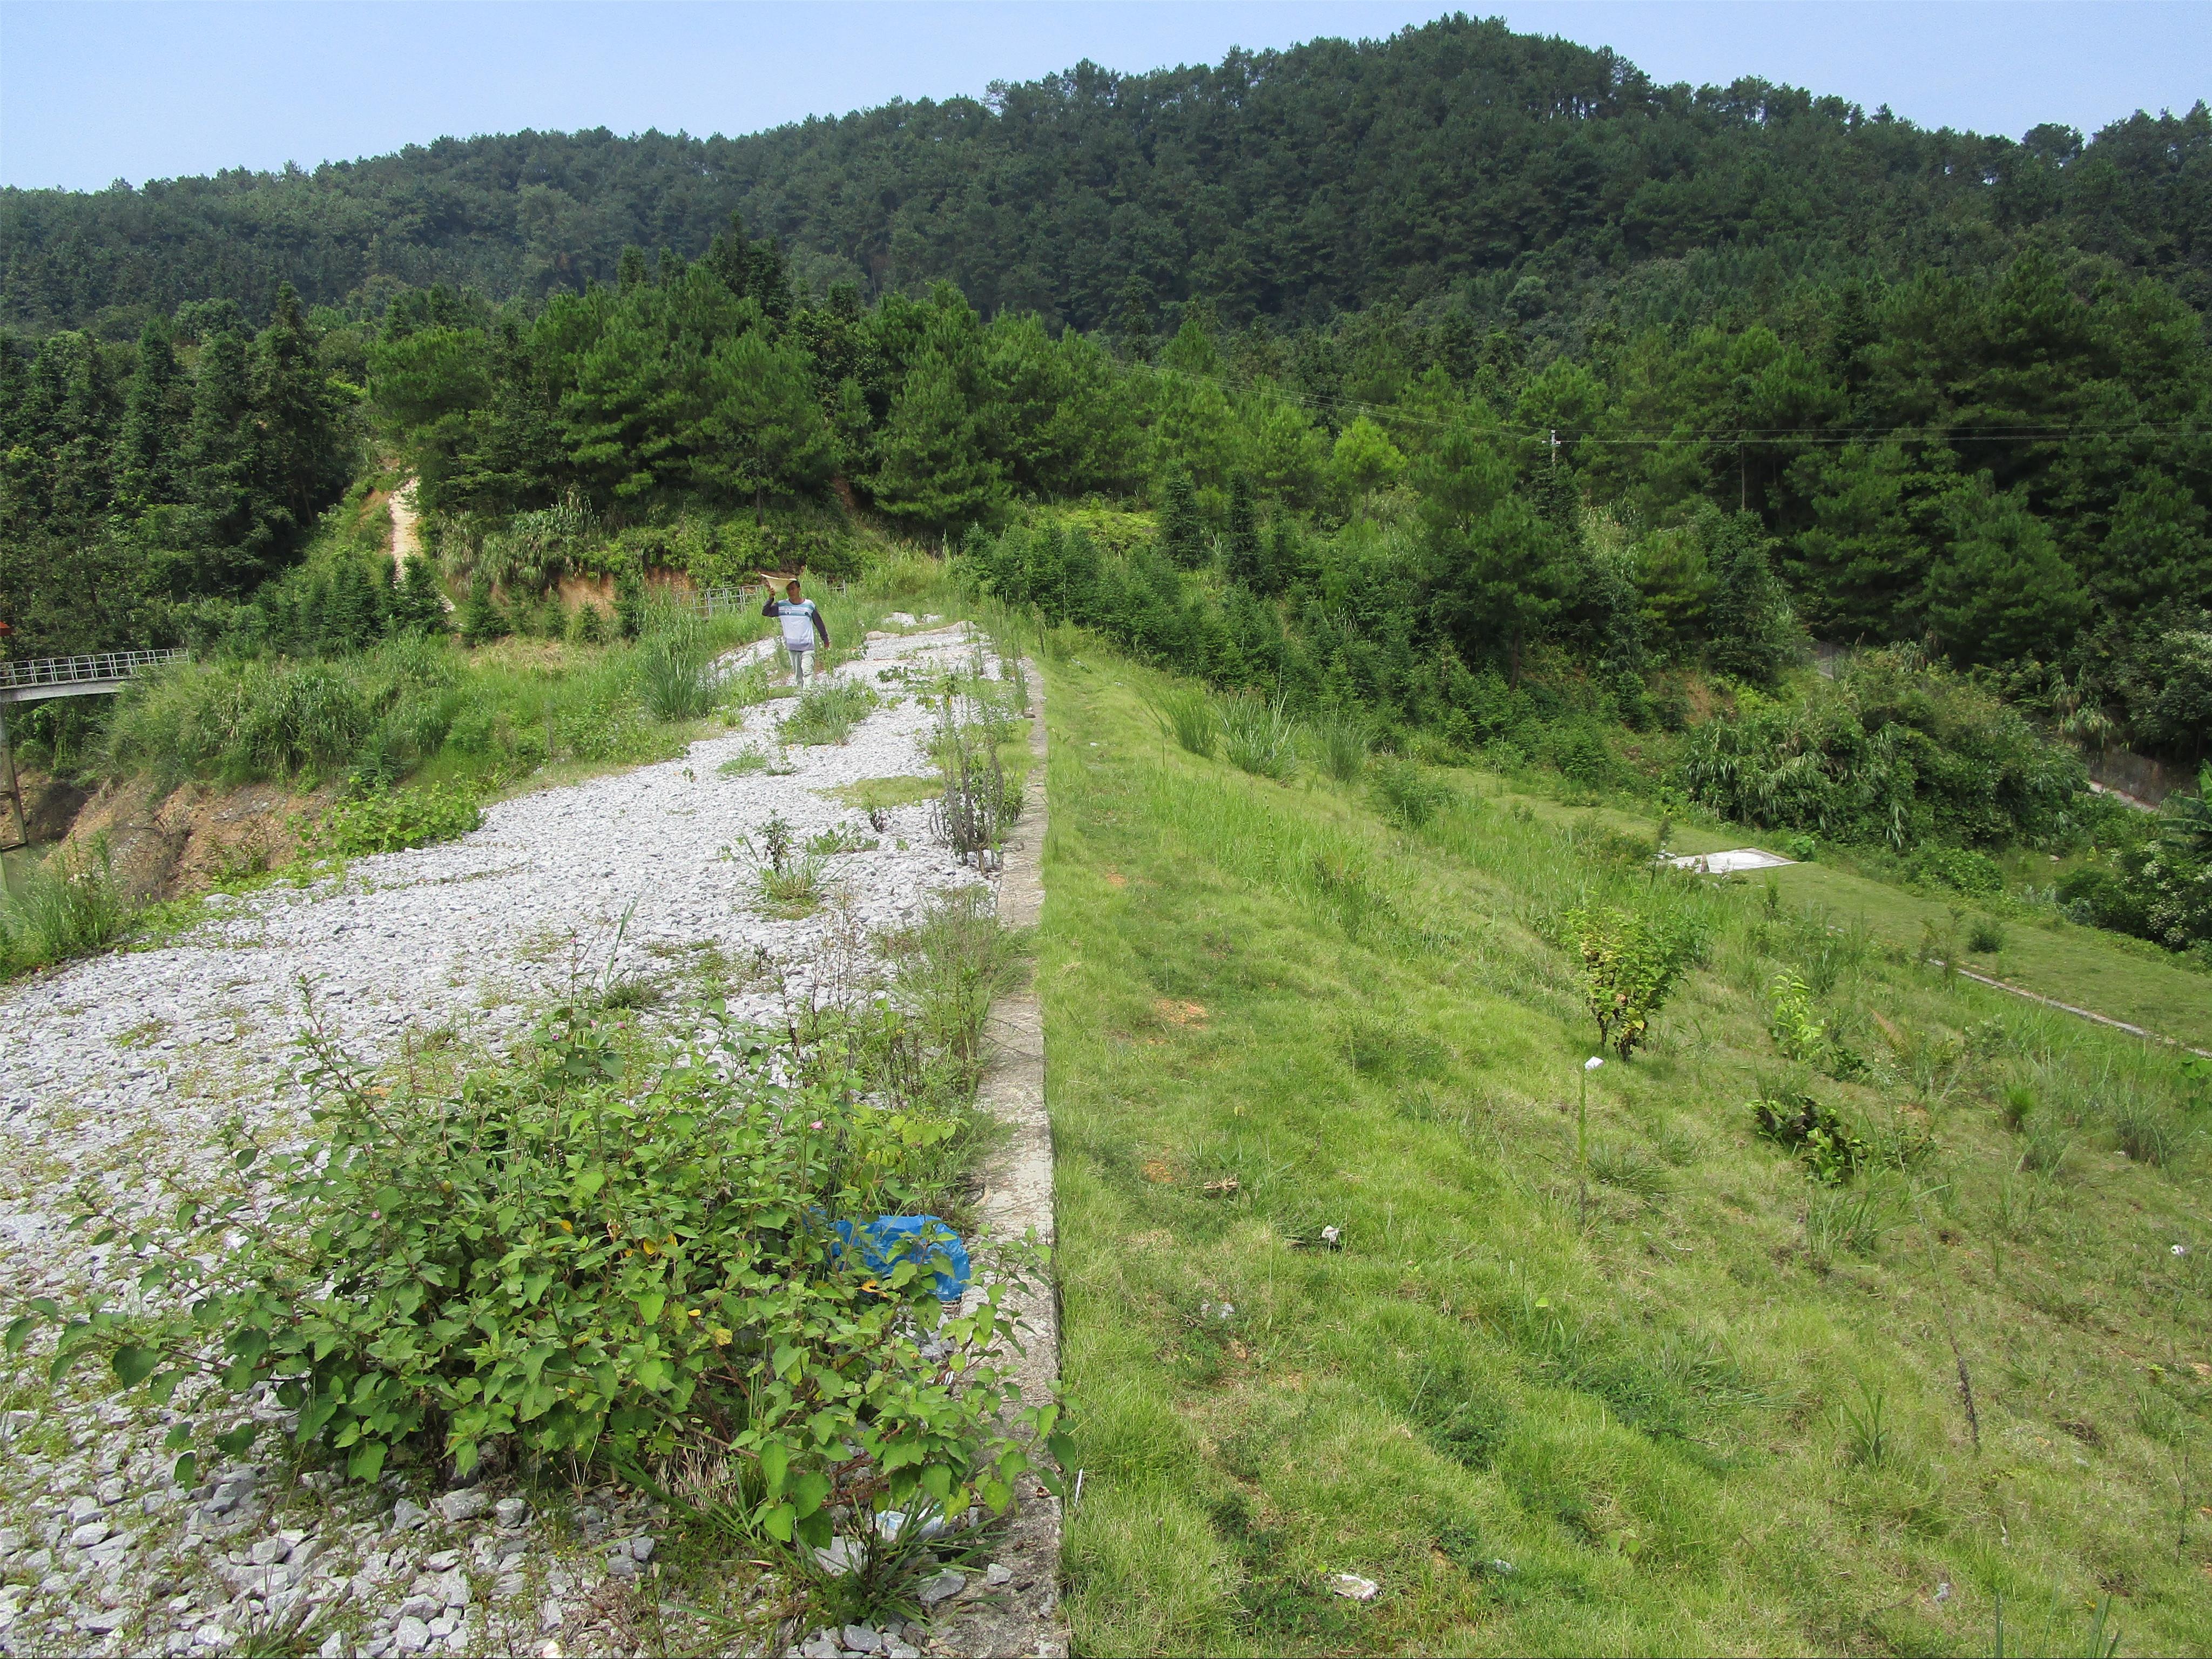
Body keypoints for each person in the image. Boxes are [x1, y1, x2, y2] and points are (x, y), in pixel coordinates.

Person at [761, 576, 830, 687]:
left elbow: (819, 623)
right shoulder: (782, 606)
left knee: (808, 672)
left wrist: (825, 639)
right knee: (799, 676)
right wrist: (771, 598)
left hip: (807, 646)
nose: (791, 592)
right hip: (792, 647)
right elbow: (765, 612)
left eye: (793, 589)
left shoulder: (809, 605)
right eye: (789, 589)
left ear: (799, 589)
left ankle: (809, 695)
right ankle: (803, 698)